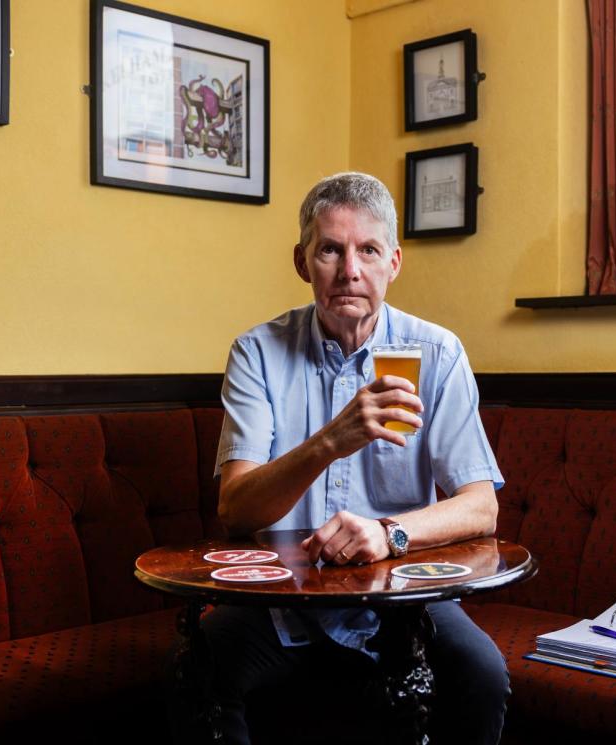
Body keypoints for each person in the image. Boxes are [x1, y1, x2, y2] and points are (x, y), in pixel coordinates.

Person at [181, 172, 508, 745]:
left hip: (405, 600)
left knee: (482, 676)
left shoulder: (437, 354)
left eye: (368, 250)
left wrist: (389, 533)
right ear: (303, 262)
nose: (349, 270)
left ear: (394, 262)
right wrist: (332, 440)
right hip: (282, 601)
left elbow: (481, 507)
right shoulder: (257, 354)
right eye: (330, 249)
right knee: (198, 674)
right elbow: (236, 510)